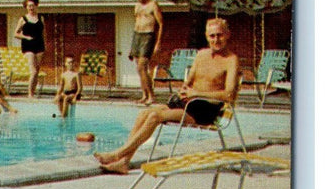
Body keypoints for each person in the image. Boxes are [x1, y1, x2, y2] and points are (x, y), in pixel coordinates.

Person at [95, 17, 239, 174]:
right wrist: (185, 90)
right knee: (145, 113)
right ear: (206, 36)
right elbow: (189, 81)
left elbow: (229, 95)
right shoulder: (201, 55)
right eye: (212, 36)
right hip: (189, 102)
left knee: (155, 117)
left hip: (208, 109)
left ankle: (118, 154)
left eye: (220, 35)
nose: (216, 39)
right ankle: (124, 162)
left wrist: (196, 93)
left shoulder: (231, 60)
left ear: (228, 34)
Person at [131, 0, 164, 106]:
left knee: (142, 67)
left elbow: (161, 24)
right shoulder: (137, 6)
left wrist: (158, 43)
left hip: (148, 36)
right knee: (139, 69)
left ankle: (151, 95)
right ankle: (144, 95)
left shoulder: (153, 5)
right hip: (137, 36)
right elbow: (137, 22)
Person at [14, 0, 45, 97]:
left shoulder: (41, 18)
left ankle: (33, 92)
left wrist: (45, 44)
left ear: (36, 6)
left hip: (39, 45)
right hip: (28, 46)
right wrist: (25, 37)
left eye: (32, 5)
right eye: (29, 6)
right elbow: (16, 34)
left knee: (37, 72)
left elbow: (44, 33)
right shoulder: (23, 19)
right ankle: (30, 94)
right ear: (26, 7)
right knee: (33, 71)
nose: (31, 8)